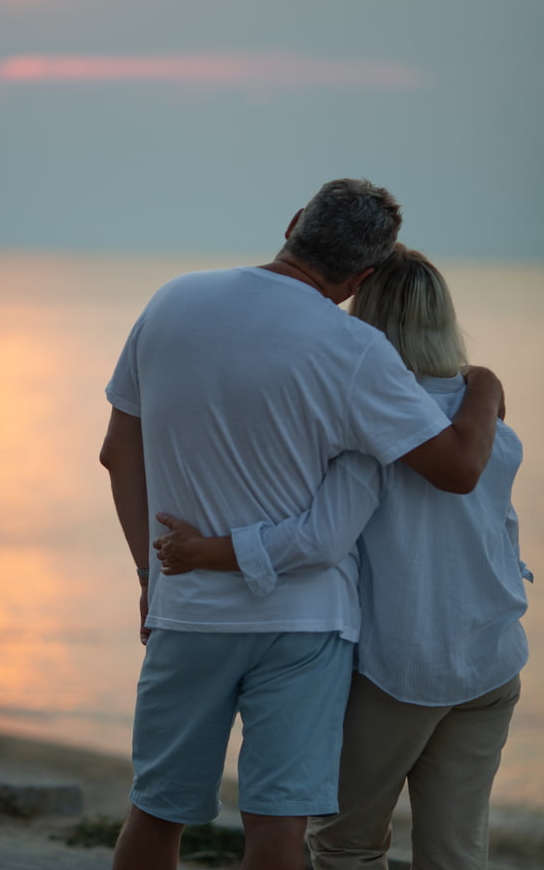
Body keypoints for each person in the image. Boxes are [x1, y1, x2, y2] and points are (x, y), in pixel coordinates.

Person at [100, 179, 503, 870]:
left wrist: (148, 573)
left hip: (189, 610)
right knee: (278, 827)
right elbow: (458, 468)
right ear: (363, 277)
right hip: (305, 622)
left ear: (293, 224)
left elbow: (117, 452)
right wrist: (486, 387)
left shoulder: (173, 300)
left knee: (158, 810)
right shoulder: (354, 350)